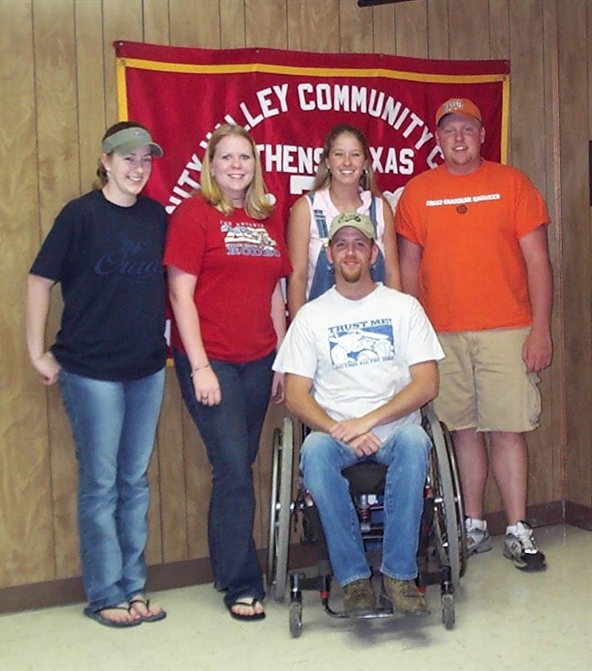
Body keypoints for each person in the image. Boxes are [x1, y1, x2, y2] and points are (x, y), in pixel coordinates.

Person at [396, 98, 553, 572]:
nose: (458, 138)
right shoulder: (418, 193)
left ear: (482, 135)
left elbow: (538, 261)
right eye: (449, 131)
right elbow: (407, 265)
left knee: (507, 430)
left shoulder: (512, 184)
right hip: (441, 334)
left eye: (467, 128)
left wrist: (540, 329)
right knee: (461, 431)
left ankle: (519, 528)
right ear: (437, 139)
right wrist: (412, 336)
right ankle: (473, 524)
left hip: (508, 329)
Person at [26, 122, 168, 627]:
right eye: (126, 158)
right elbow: (40, 281)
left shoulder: (157, 217)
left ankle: (134, 589)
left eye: (145, 159)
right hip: (91, 373)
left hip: (147, 370)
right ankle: (104, 593)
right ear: (105, 162)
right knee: (103, 484)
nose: (137, 167)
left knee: (135, 482)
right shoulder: (79, 215)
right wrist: (37, 352)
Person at [273, 211, 445, 616]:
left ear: (373, 254)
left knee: (416, 441)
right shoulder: (311, 317)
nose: (351, 251)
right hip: (334, 435)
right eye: (342, 244)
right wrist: (339, 429)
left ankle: (399, 576)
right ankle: (352, 579)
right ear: (330, 255)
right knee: (313, 453)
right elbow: (296, 395)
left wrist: (368, 421)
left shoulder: (404, 309)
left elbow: (426, 384)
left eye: (360, 244)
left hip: (394, 431)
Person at [164, 123, 290, 621]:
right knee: (234, 468)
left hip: (260, 360)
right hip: (211, 361)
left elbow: (276, 293)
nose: (237, 166)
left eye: (245, 157)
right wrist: (199, 368)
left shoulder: (265, 216)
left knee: (237, 469)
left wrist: (281, 358)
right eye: (227, 158)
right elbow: (180, 295)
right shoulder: (193, 216)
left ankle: (226, 569)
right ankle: (242, 584)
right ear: (211, 166)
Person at [286, 124, 402, 319]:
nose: (347, 162)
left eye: (355, 154)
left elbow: (392, 273)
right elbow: (297, 277)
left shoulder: (381, 208)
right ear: (327, 162)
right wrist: (299, 331)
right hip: (321, 327)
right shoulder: (306, 209)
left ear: (365, 163)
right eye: (339, 154)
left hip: (376, 325)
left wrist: (399, 323)